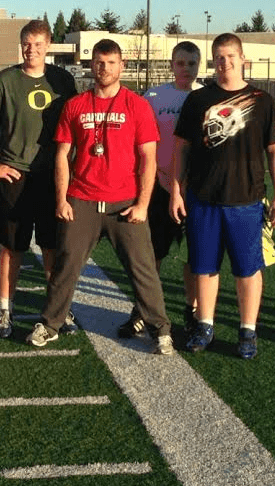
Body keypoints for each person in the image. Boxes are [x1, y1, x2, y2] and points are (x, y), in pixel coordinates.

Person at [26, 39, 173, 354]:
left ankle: (159, 328)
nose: (104, 68)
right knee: (66, 266)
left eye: (110, 62)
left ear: (122, 66)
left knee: (143, 268)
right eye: (98, 62)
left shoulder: (137, 105)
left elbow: (149, 158)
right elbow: (62, 156)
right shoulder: (75, 105)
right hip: (82, 199)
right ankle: (51, 323)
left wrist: (143, 204)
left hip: (125, 202)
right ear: (91, 65)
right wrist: (63, 199)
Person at [170, 33, 275, 359]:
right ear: (213, 60)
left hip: (247, 201)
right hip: (203, 198)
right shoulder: (198, 100)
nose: (225, 63)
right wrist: (177, 192)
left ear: (242, 58)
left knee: (247, 270)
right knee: (204, 267)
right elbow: (181, 148)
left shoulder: (262, 100)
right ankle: (205, 324)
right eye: (219, 57)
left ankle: (248, 330)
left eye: (231, 57)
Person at [0, 20, 77, 338]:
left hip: (51, 177)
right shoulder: (5, 80)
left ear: (48, 46)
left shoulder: (62, 79)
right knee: (11, 247)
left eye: (38, 44)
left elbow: (75, 124)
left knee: (51, 248)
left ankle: (58, 313)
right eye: (26, 43)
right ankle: (5, 311)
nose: (32, 49)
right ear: (21, 45)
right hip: (15, 175)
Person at [118, 41, 202, 339]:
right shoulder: (154, 96)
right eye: (180, 63)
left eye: (191, 63)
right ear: (171, 65)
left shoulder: (206, 97)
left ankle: (193, 314)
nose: (186, 69)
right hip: (158, 186)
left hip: (195, 190)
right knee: (150, 255)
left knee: (195, 257)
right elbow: (138, 139)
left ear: (199, 65)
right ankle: (142, 311)